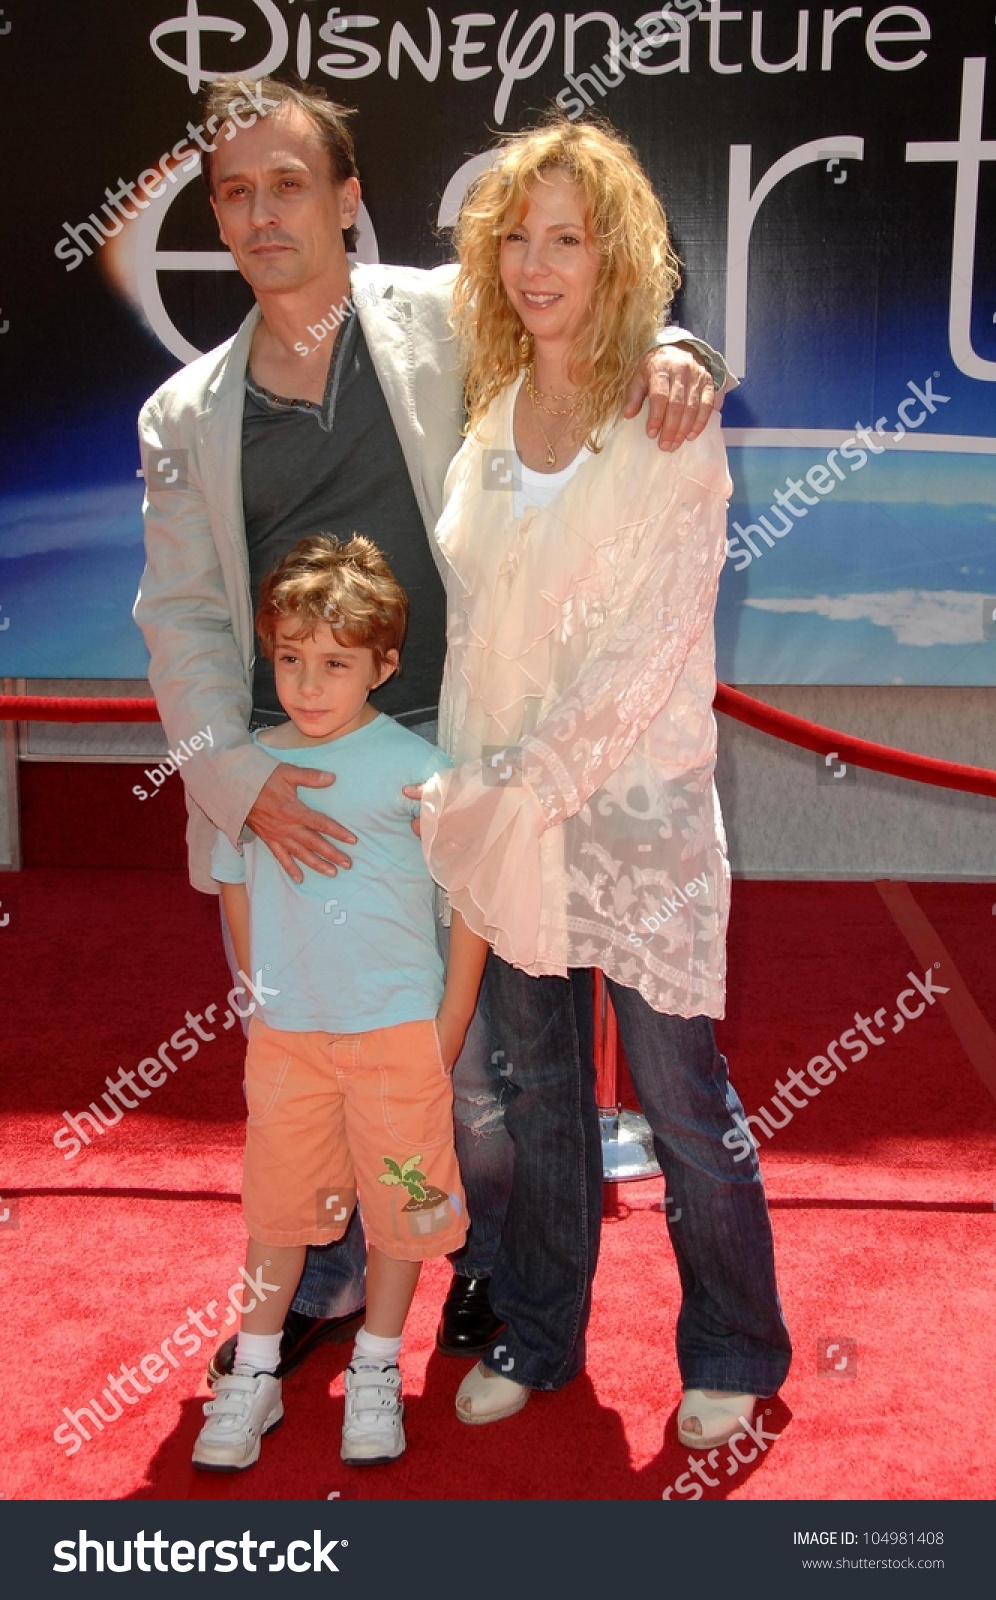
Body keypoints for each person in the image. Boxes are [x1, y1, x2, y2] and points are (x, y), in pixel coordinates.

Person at [134, 74, 732, 1381]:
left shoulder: (439, 317)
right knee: (306, 1050)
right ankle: (332, 1273)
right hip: (285, 789)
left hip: (451, 765)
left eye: (289, 182)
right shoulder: (181, 420)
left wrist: (682, 352)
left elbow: (582, 329)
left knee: (472, 1078)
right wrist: (233, 781)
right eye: (233, 191)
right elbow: (177, 619)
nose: (260, 212)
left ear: (347, 201)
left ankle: (487, 1272)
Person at [420, 117, 792, 1446]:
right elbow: (476, 622)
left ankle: (738, 1342)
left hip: (627, 813)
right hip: (506, 817)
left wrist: (530, 779)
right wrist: (468, 787)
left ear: (618, 253)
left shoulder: (665, 410)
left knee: (678, 1090)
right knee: (530, 1093)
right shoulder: (492, 403)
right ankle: (537, 1324)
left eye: (566, 237)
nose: (535, 262)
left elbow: (649, 648)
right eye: (516, 236)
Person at [192, 533, 487, 1470]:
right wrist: (255, 996)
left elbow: (471, 899)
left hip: (401, 1038)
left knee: (405, 1207)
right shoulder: (248, 772)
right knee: (278, 1209)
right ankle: (255, 1377)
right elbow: (232, 879)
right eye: (289, 660)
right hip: (291, 1043)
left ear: (384, 665)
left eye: (334, 664)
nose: (308, 685)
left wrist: (448, 1026)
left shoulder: (419, 772)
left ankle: (374, 1369)